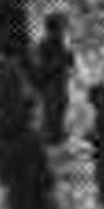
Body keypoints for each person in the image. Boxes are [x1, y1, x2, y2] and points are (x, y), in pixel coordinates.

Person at [31, 13, 73, 142]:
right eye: (62, 26)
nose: (64, 30)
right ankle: (52, 134)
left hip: (59, 82)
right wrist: (62, 61)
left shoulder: (59, 42)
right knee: (52, 109)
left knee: (59, 107)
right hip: (51, 83)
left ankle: (56, 133)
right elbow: (43, 65)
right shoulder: (46, 44)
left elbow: (68, 61)